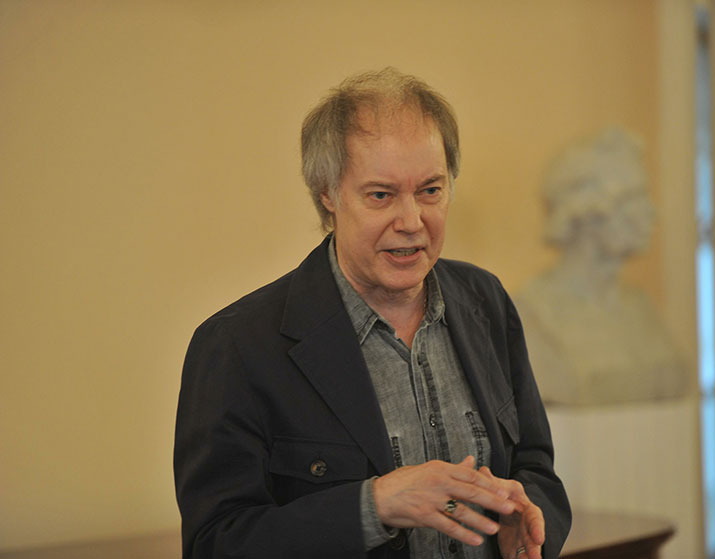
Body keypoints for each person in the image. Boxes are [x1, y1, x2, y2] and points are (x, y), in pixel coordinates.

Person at [174, 68, 571, 559]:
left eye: (430, 190)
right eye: (381, 195)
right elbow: (216, 542)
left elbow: (535, 467)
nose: (412, 221)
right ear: (328, 194)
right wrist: (374, 505)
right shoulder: (238, 346)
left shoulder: (485, 300)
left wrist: (527, 524)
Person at [515, 128, 687, 405]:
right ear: (584, 211)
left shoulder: (641, 308)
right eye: (633, 197)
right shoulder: (532, 317)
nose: (651, 211)